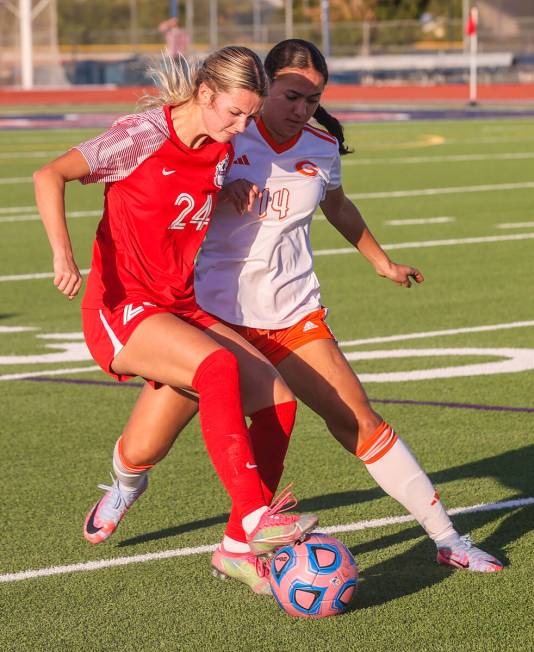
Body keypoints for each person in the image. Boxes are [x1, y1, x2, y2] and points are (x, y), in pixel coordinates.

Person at [76, 40, 503, 593]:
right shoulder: (224, 134)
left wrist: (381, 262)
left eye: (313, 98)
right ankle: (126, 484)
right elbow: (164, 178)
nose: (302, 107)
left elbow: (337, 204)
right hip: (209, 318)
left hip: (290, 314)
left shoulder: (321, 146)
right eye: (291, 94)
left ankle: (446, 541)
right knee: (142, 449)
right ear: (261, 88)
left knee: (358, 421)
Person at [33, 46, 317, 571]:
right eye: (234, 112)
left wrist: (230, 189)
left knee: (277, 399)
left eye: (249, 116)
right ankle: (256, 517)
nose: (241, 126)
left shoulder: (221, 145)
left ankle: (231, 546)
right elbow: (48, 175)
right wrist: (63, 255)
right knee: (217, 367)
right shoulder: (142, 136)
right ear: (205, 95)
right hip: (120, 307)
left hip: (181, 305)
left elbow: (192, 192)